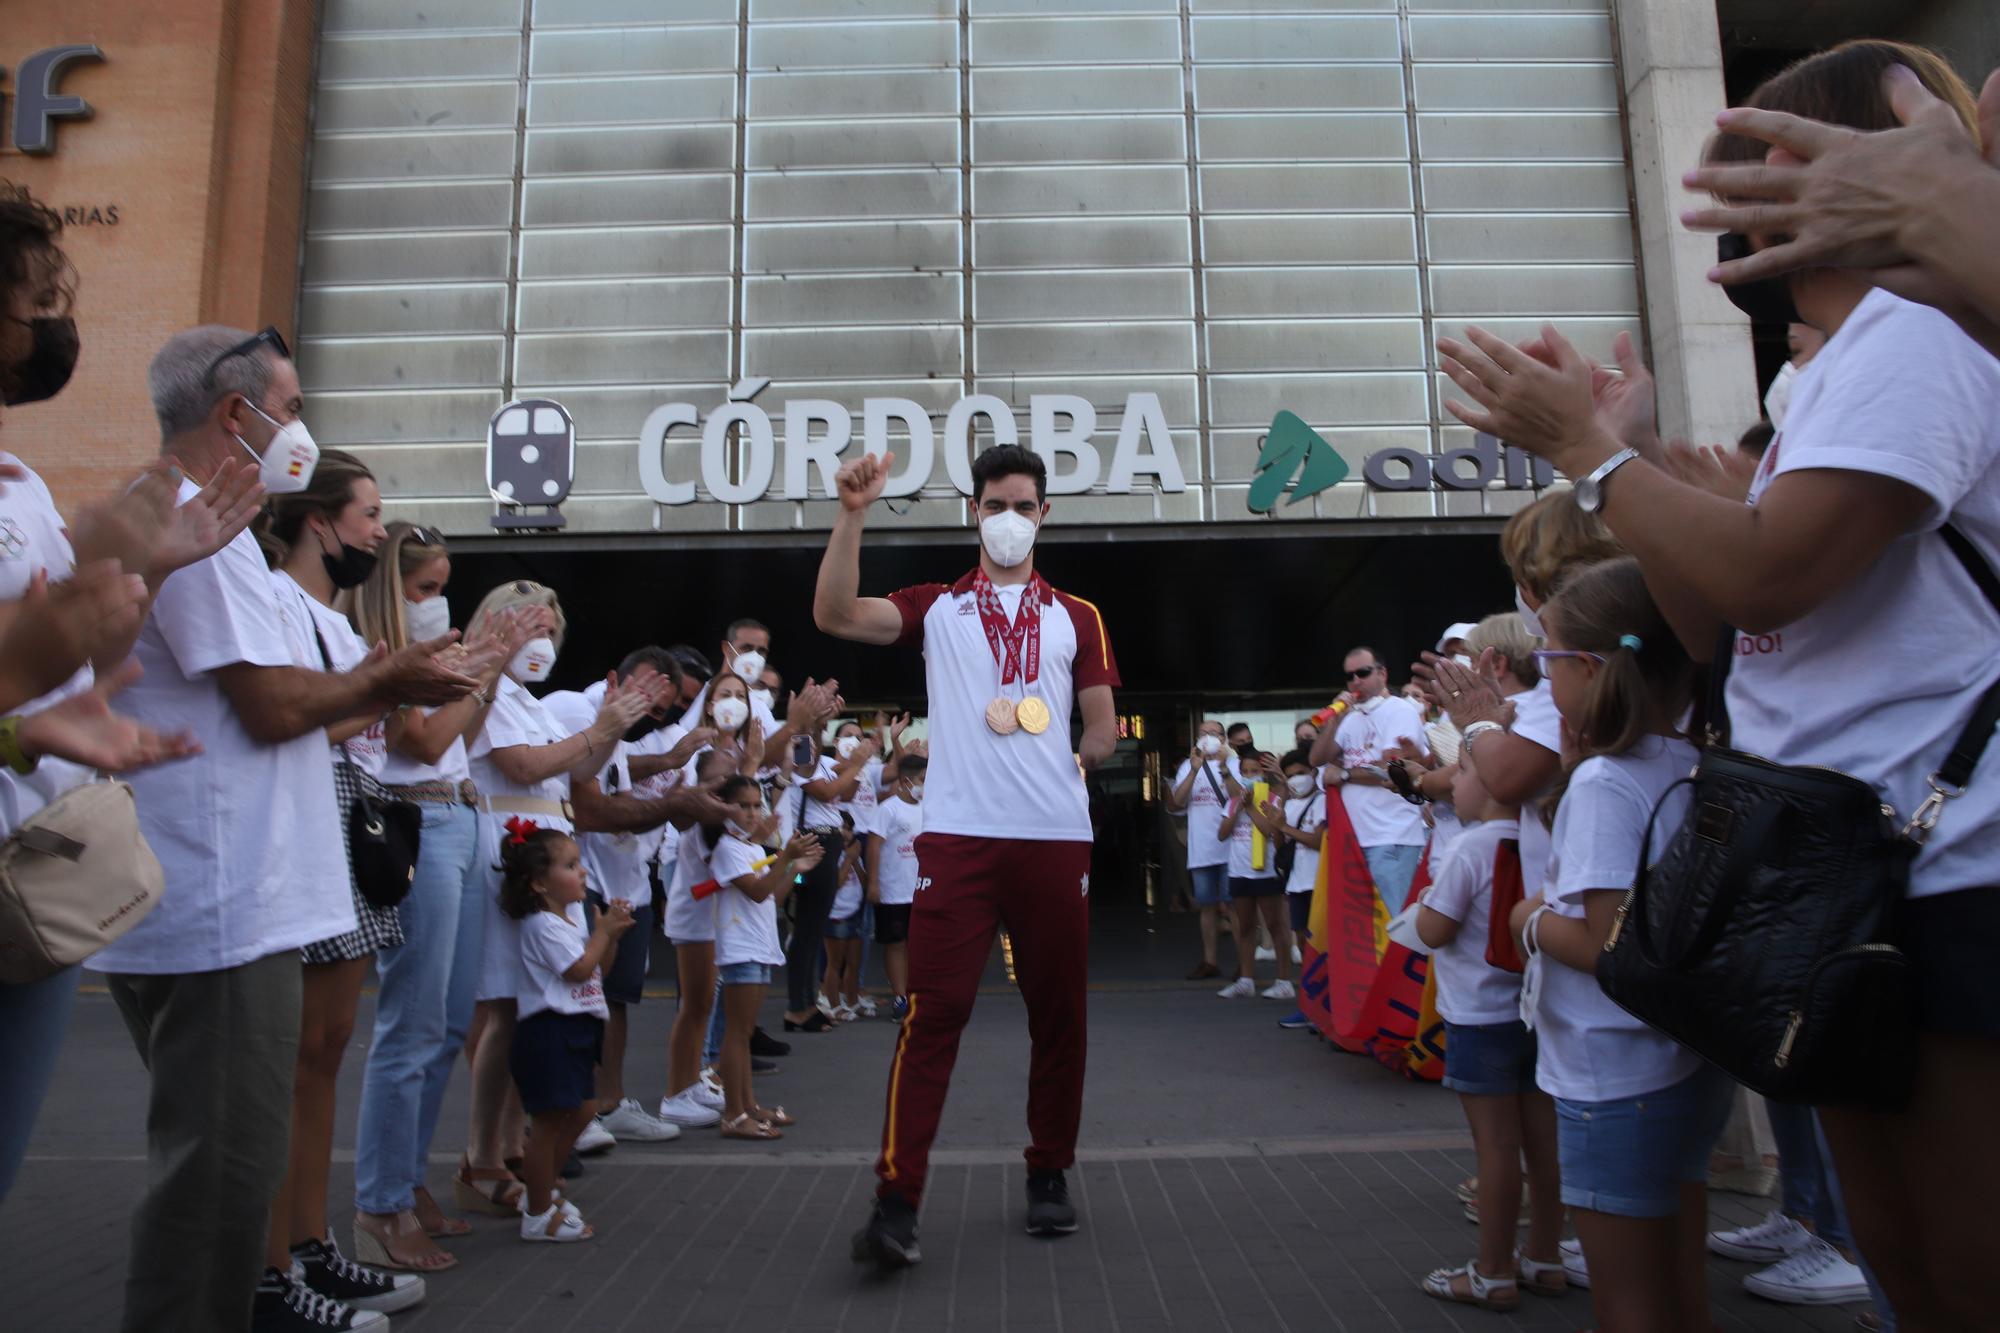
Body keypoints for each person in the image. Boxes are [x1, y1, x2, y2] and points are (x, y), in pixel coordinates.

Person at [1447, 44, 2000, 1329]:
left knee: (1967, 1271)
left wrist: (1591, 455)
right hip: (1853, 863)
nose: (1725, 198)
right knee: (1905, 1262)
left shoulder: (1911, 337)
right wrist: (1629, 463)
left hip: (1944, 861)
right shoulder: (1847, 359)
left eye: (1754, 160)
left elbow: (1771, 575)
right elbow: (1712, 628)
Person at [89, 324, 479, 1333]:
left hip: (254, 904)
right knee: (213, 1191)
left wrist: (374, 683)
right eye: (292, 406)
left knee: (234, 1168)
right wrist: (383, 679)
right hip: (223, 907)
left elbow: (306, 696)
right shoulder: (186, 523)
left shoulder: (225, 538)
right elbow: (272, 707)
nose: (300, 428)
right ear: (236, 414)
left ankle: (273, 1277)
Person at [817, 443, 1119, 1268]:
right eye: (995, 505)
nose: (1010, 519)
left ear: (1045, 514)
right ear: (974, 512)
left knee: (1059, 1014)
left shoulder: (1077, 616)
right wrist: (852, 516)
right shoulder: (937, 607)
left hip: (1055, 836)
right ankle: (896, 1197)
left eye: (1024, 505)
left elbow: (1100, 718)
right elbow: (838, 614)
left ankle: (1050, 1169)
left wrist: (1082, 753)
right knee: (931, 1013)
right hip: (958, 838)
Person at [0, 186, 238, 1207]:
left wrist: (130, 564)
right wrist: (20, 692)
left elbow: (46, 665)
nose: (54, 327)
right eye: (36, 302)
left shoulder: (18, 482)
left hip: (32, 882)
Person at [1501, 558, 1719, 1333]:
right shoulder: (1693, 763)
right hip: (1687, 1055)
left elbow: (1604, 943)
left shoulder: (1604, 782)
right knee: (1682, 1286)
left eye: (1547, 658)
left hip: (1610, 1064)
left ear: (1589, 667)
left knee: (1628, 1302)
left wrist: (1529, 917)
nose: (1541, 680)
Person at [257, 451, 434, 1320]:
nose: (378, 530)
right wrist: (392, 685)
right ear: (319, 519)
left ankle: (310, 1243)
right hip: (314, 816)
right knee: (293, 1054)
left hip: (353, 819)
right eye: (367, 513)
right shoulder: (279, 604)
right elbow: (306, 715)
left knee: (327, 1045)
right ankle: (275, 1261)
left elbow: (360, 716)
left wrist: (398, 681)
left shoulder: (335, 618)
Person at [348, 523, 539, 1272]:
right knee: (414, 1021)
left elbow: (464, 730)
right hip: (415, 817)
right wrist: (481, 669)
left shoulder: (439, 656)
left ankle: (408, 1184)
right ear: (390, 591)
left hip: (457, 814)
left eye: (442, 586)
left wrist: (481, 672)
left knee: (451, 1017)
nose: (437, 602)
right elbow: (421, 742)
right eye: (424, 589)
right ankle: (379, 1203)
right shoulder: (384, 656)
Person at [458, 582, 655, 1213]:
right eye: (524, 628)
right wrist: (601, 729)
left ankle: (510, 1141)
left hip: (541, 860)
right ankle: (483, 1154)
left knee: (526, 1008)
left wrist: (610, 730)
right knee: (503, 1012)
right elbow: (521, 765)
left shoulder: (529, 701)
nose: (537, 643)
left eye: (547, 631)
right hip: (506, 858)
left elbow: (570, 766)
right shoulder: (482, 691)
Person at [1686, 60, 2000, 359]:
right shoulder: (1946, 319)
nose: (1742, 231)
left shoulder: (1907, 338)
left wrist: (1957, 210)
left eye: (1749, 196)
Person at [545, 651, 716, 1146]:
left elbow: (619, 778)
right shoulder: (582, 712)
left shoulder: (618, 727)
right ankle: (570, 1112)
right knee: (579, 998)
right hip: (588, 876)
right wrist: (673, 802)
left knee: (613, 999)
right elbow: (593, 809)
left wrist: (668, 764)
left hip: (624, 879)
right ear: (614, 678)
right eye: (647, 697)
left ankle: (608, 1103)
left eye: (661, 708)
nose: (651, 712)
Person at [1414, 740, 1562, 1313]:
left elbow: (1434, 930)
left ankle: (1493, 1270)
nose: (1453, 782)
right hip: (1534, 1011)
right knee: (1543, 1144)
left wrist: (1427, 898)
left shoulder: (1470, 848)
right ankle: (1545, 1256)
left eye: (1465, 771)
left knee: (1496, 1148)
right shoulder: (1541, 843)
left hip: (1478, 1017)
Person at [498, 826, 631, 1243]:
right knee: (549, 1125)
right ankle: (538, 1210)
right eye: (571, 865)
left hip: (578, 1028)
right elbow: (575, 969)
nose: (583, 873)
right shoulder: (541, 925)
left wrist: (610, 937)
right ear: (540, 882)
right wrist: (602, 934)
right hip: (549, 1031)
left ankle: (545, 1187)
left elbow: (596, 970)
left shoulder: (570, 920)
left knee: (585, 1110)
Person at [710, 775, 823, 1139]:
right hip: (739, 947)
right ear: (726, 807)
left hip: (760, 945)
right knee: (737, 1033)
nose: (752, 812)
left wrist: (794, 868)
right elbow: (757, 892)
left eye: (757, 805)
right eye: (743, 805)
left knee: (744, 1033)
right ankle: (733, 1114)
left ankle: (748, 1105)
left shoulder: (753, 849)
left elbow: (774, 896)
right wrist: (786, 856)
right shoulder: (728, 848)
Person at [1309, 646, 1430, 913]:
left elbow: (1393, 768)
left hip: (1391, 836)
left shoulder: (1399, 711)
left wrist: (1343, 774)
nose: (1355, 681)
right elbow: (1317, 758)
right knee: (1362, 930)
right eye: (1350, 676)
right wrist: (1334, 722)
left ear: (1382, 674)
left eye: (1362, 673)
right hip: (1353, 839)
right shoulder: (1350, 718)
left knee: (1394, 922)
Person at [783, 718, 877, 1031]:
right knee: (808, 930)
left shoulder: (824, 760)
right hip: (812, 841)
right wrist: (858, 761)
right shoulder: (801, 749)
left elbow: (846, 792)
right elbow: (825, 793)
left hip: (828, 840)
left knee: (813, 929)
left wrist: (855, 764)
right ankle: (798, 1007)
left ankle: (808, 1003)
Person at [1213, 750, 1293, 1001]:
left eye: (1254, 772)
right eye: (1245, 772)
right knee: (1246, 926)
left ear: (1264, 774)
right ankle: (1245, 979)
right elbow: (1222, 834)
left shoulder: (1272, 799)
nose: (1249, 777)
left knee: (1275, 925)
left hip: (1267, 872)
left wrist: (1251, 808)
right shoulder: (1234, 801)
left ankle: (1284, 981)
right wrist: (1239, 808)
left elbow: (1271, 832)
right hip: (1239, 871)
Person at [1167, 719, 1238, 980]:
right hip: (1202, 849)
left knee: (1234, 907)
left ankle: (1244, 964)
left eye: (1213, 734)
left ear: (1223, 738)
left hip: (1232, 849)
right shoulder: (1188, 765)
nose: (1207, 737)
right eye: (1203, 733)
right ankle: (1210, 961)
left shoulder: (1235, 763)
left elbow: (1240, 798)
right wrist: (1195, 770)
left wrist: (1224, 767)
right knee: (1206, 907)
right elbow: (1176, 802)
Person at [866, 753, 926, 1023]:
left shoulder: (930, 807)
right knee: (895, 944)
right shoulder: (888, 809)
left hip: (922, 888)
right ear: (905, 781)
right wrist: (874, 882)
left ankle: (918, 996)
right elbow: (874, 845)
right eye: (922, 780)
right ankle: (900, 997)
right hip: (893, 890)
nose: (926, 786)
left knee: (920, 943)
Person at [1270, 749, 1326, 1030]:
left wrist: (1284, 828)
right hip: (1296, 883)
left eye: (1301, 773)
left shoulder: (1323, 802)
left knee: (1321, 948)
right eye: (1290, 776)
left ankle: (1324, 1009)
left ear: (1314, 772)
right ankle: (1309, 1007)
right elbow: (1282, 849)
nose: (1296, 780)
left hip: (1319, 883)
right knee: (1305, 948)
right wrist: (1277, 826)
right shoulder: (1289, 805)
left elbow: (1318, 842)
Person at [821, 810, 868, 1020]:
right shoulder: (829, 853)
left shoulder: (853, 853)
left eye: (850, 829)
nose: (847, 833)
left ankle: (852, 1001)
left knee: (853, 962)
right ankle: (834, 1005)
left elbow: (865, 883)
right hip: (835, 915)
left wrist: (856, 860)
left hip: (855, 912)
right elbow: (836, 883)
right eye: (843, 828)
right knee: (835, 963)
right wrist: (849, 859)